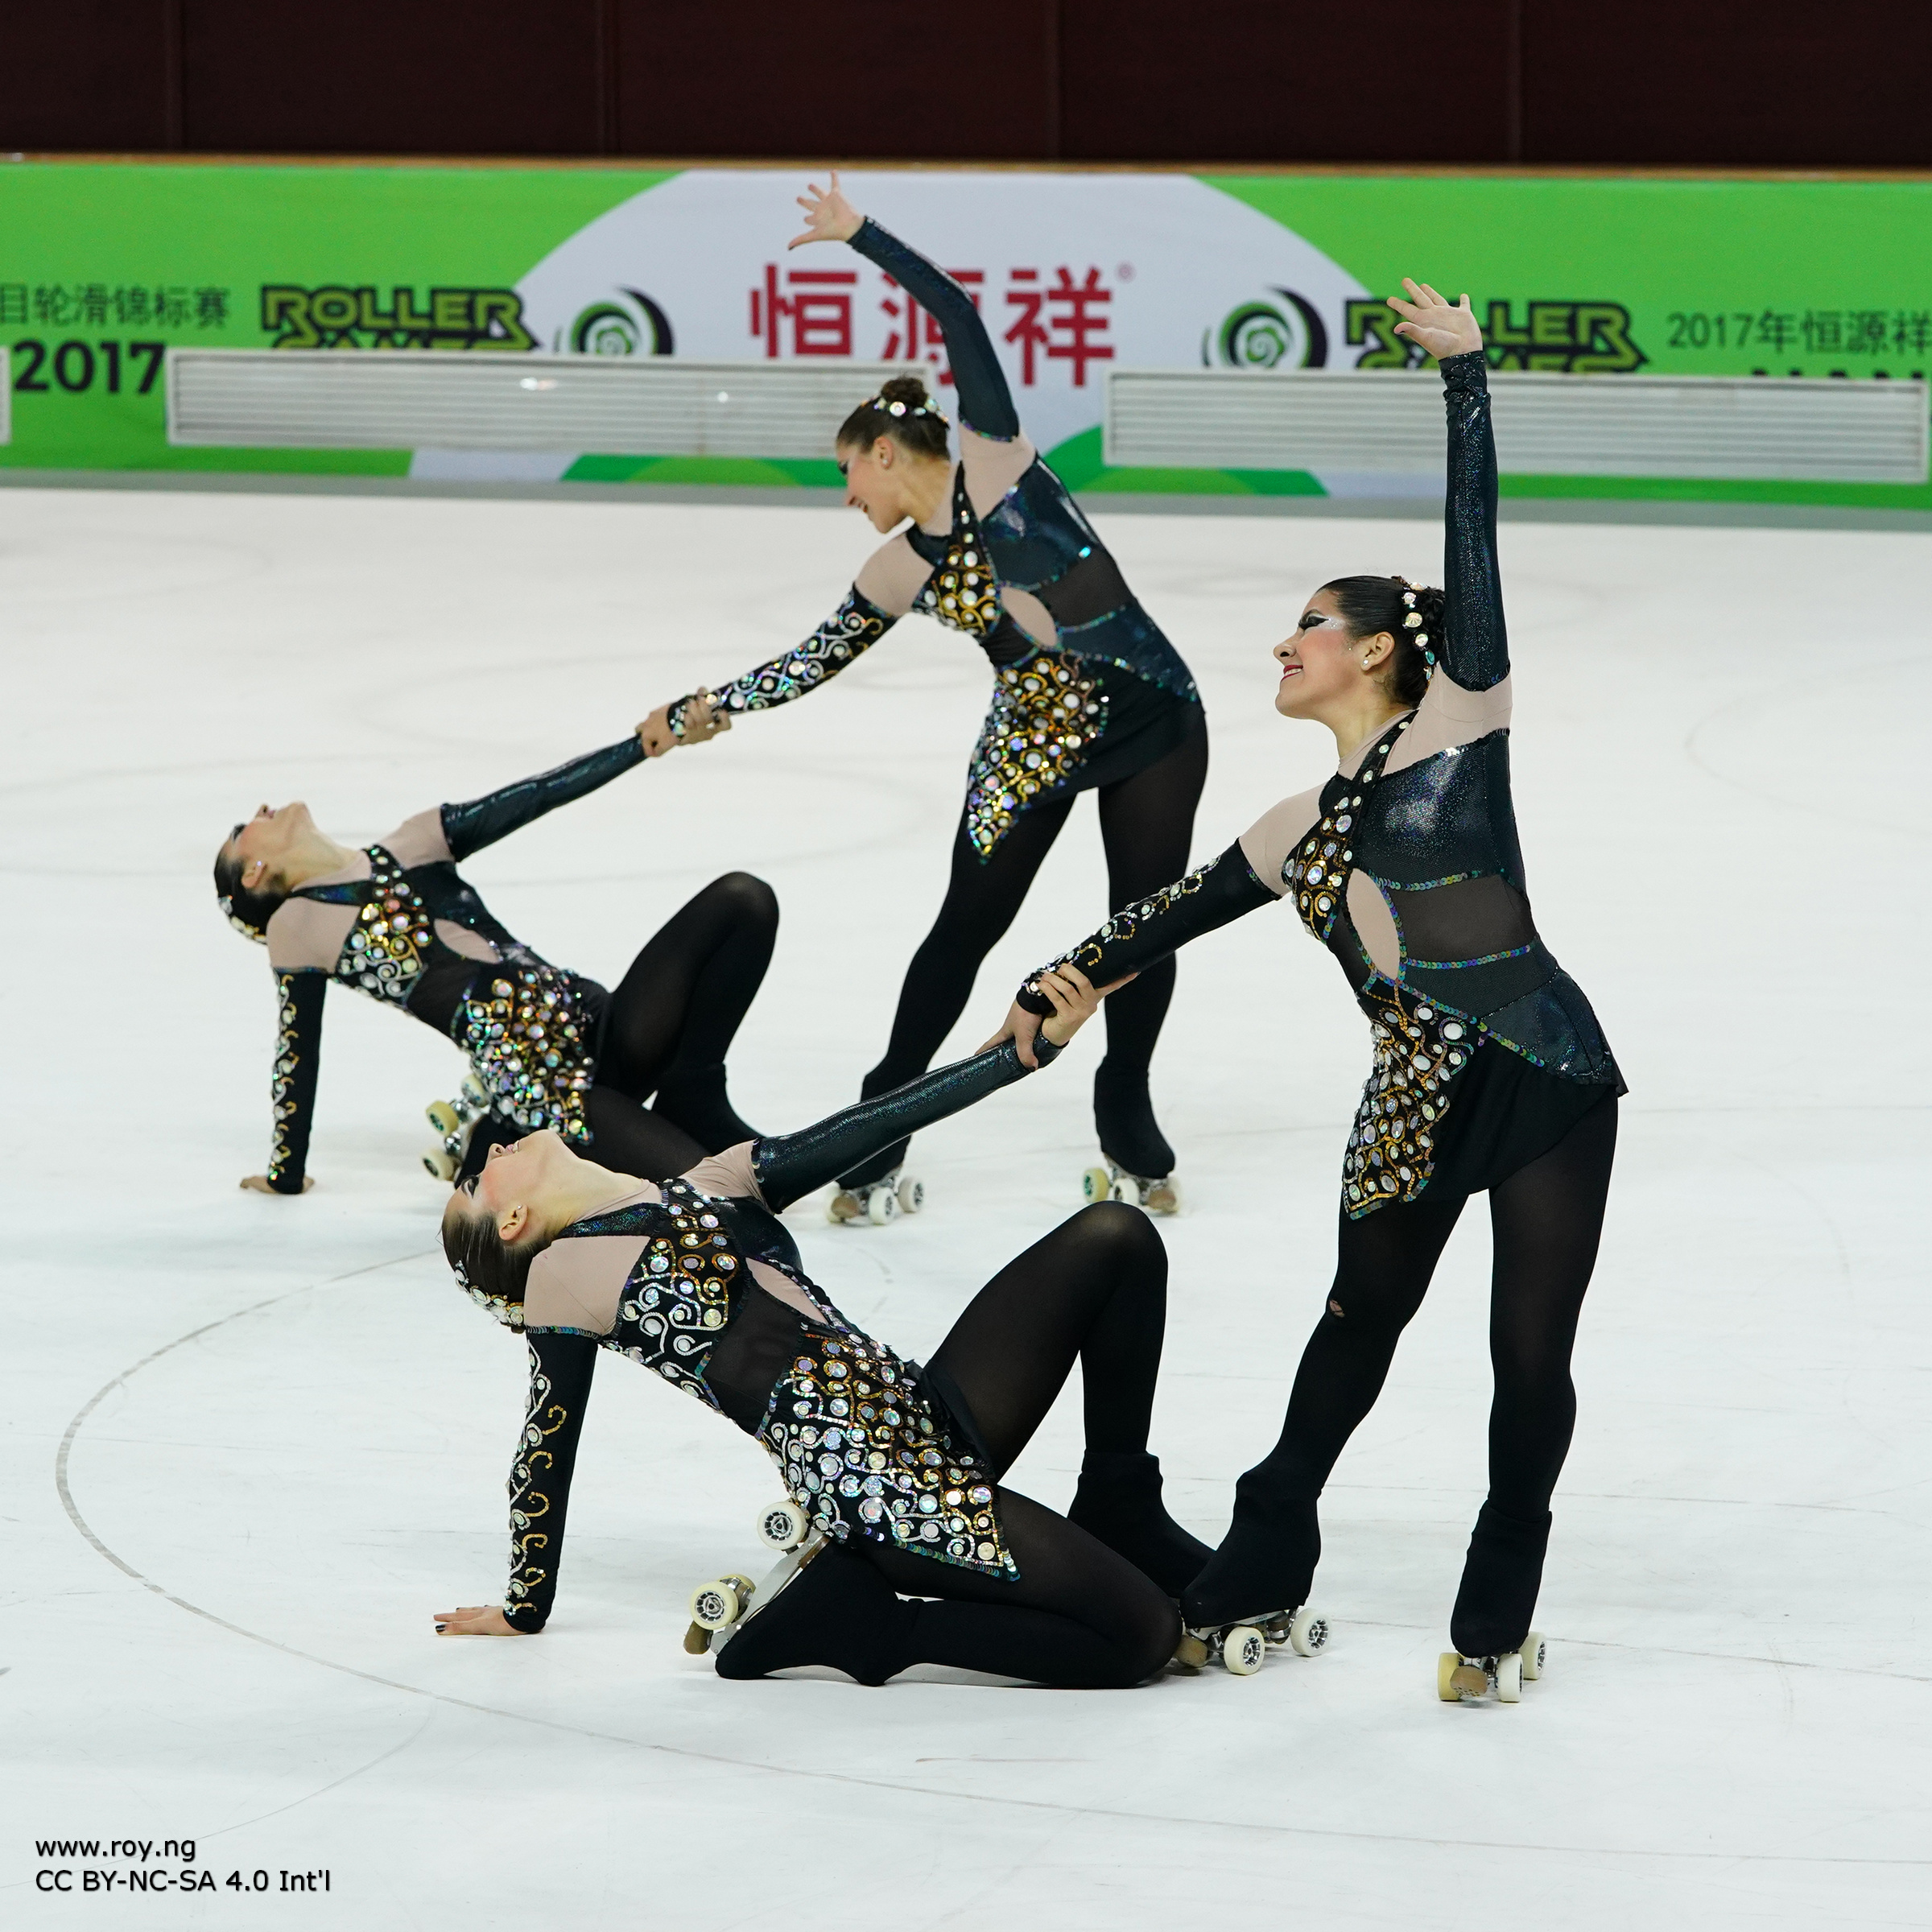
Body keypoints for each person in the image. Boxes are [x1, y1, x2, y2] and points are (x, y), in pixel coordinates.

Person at [991, 282, 1623, 1686]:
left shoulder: (1460, 722)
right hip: (1410, 1103)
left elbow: (1474, 541)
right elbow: (1165, 914)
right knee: (1352, 1331)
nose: (1285, 645)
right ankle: (1268, 1547)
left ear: (1379, 648)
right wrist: (1065, 977)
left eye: (1310, 626)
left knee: (1528, 1356)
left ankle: (1498, 1597)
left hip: (1545, 1074)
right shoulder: (1294, 830)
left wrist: (1468, 378)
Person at [637, 173, 1208, 1216]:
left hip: (1152, 713)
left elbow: (961, 315)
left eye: (848, 473)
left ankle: (1124, 1097)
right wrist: (709, 706)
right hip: (1032, 742)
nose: (846, 495)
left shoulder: (996, 462)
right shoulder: (899, 567)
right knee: (961, 933)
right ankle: (882, 1116)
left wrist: (861, 235)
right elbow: (811, 661)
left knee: (1143, 927)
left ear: (886, 452)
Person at [432, 964, 1203, 1690]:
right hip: (878, 1489)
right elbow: (546, 1445)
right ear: (514, 1221)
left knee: (1116, 1236)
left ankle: (1118, 1497)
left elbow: (874, 1122)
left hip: (928, 1409)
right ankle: (875, 1628)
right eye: (475, 1182)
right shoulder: (562, 1275)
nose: (489, 1149)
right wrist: (524, 1604)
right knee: (1142, 1634)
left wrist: (1024, 1052)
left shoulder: (710, 1183)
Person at [213, 719, 773, 1193]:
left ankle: (691, 1089)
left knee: (743, 900)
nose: (260, 811)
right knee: (728, 1195)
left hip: (605, 1028)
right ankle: (497, 1141)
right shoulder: (297, 925)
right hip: (550, 1098)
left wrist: (647, 742)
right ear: (254, 874)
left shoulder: (414, 841)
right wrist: (286, 1174)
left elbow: (540, 793)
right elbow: (297, 1054)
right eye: (243, 830)